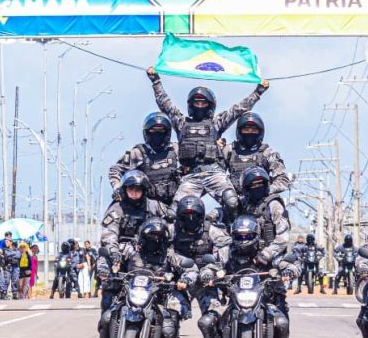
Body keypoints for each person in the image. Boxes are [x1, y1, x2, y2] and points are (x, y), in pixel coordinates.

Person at [146, 66, 268, 222]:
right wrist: (156, 81)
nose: (199, 106)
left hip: (214, 173)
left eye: (203, 103)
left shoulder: (216, 124)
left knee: (232, 202)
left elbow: (237, 110)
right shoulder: (181, 124)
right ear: (191, 105)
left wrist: (258, 92)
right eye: (196, 103)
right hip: (191, 176)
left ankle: (236, 231)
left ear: (210, 105)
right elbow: (166, 105)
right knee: (173, 213)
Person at [98, 217, 198, 338]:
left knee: (168, 330)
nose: (154, 241)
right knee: (107, 318)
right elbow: (105, 256)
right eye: (151, 237)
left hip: (157, 301)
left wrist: (185, 279)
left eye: (158, 237)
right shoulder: (130, 249)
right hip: (129, 296)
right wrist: (104, 269)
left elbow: (191, 268)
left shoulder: (169, 255)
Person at [200, 214, 300, 338]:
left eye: (247, 236)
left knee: (281, 322)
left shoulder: (266, 251)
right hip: (233, 299)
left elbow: (289, 263)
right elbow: (211, 265)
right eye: (240, 236)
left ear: (256, 235)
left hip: (264, 298)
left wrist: (290, 270)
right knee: (206, 322)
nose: (243, 240)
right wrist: (207, 273)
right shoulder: (226, 251)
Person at [95, 170, 171, 338]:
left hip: (150, 257)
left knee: (167, 314)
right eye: (131, 189)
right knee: (107, 309)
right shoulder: (117, 208)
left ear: (144, 190)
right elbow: (109, 235)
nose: (134, 192)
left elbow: (172, 225)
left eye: (138, 189)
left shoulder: (155, 207)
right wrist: (114, 253)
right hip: (121, 257)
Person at [109, 112, 181, 206]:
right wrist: (117, 187)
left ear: (167, 132)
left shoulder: (175, 149)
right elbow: (115, 169)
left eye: (161, 131)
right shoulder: (137, 153)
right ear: (146, 132)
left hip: (174, 202)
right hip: (148, 205)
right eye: (153, 131)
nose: (157, 135)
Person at [222, 112, 290, 196]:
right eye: (246, 130)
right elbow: (215, 174)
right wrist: (227, 193)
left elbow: (283, 179)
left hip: (261, 199)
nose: (250, 133)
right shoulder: (229, 151)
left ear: (260, 132)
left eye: (254, 130)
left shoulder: (268, 152)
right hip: (235, 199)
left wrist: (267, 190)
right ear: (239, 131)